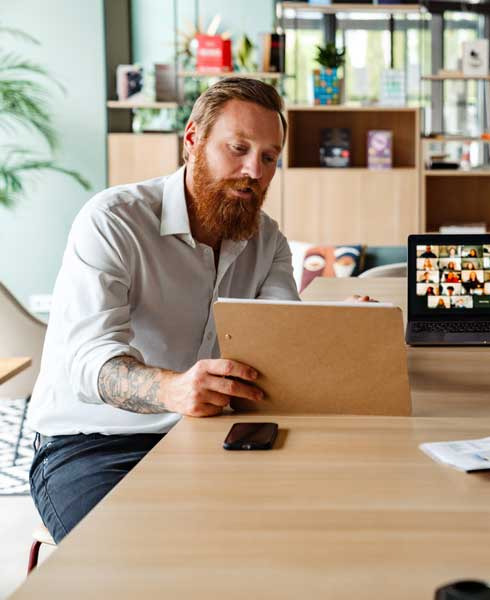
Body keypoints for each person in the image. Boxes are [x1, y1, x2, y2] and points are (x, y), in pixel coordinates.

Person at [25, 78, 372, 543]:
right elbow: (89, 363)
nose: (254, 170)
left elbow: (279, 343)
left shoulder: (267, 240)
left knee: (307, 535)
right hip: (94, 446)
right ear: (193, 140)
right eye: (238, 148)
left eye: (269, 157)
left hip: (211, 435)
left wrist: (333, 328)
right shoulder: (112, 219)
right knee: (135, 570)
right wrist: (172, 389)